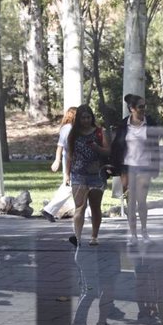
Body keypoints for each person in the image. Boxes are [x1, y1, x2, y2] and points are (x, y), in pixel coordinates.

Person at [110, 94, 161, 246]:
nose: (143, 109)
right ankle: (133, 235)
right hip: (127, 167)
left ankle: (144, 232)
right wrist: (114, 167)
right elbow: (117, 146)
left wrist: (155, 167)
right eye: (140, 107)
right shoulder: (124, 124)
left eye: (144, 106)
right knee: (130, 202)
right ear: (132, 109)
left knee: (142, 201)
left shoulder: (150, 123)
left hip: (144, 166)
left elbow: (155, 146)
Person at [65, 104, 110, 247]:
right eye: (83, 118)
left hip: (96, 174)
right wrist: (67, 174)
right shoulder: (74, 133)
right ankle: (77, 237)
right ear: (78, 119)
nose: (86, 120)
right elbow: (69, 155)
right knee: (80, 206)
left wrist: (97, 148)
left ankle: (94, 236)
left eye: (88, 117)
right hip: (78, 174)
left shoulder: (99, 132)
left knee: (95, 206)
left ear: (92, 117)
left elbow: (108, 151)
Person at [42, 107, 77, 222]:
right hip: (69, 161)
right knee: (69, 186)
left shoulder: (72, 128)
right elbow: (60, 146)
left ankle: (49, 210)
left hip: (74, 160)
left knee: (72, 187)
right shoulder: (68, 128)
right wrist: (57, 160)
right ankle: (49, 209)